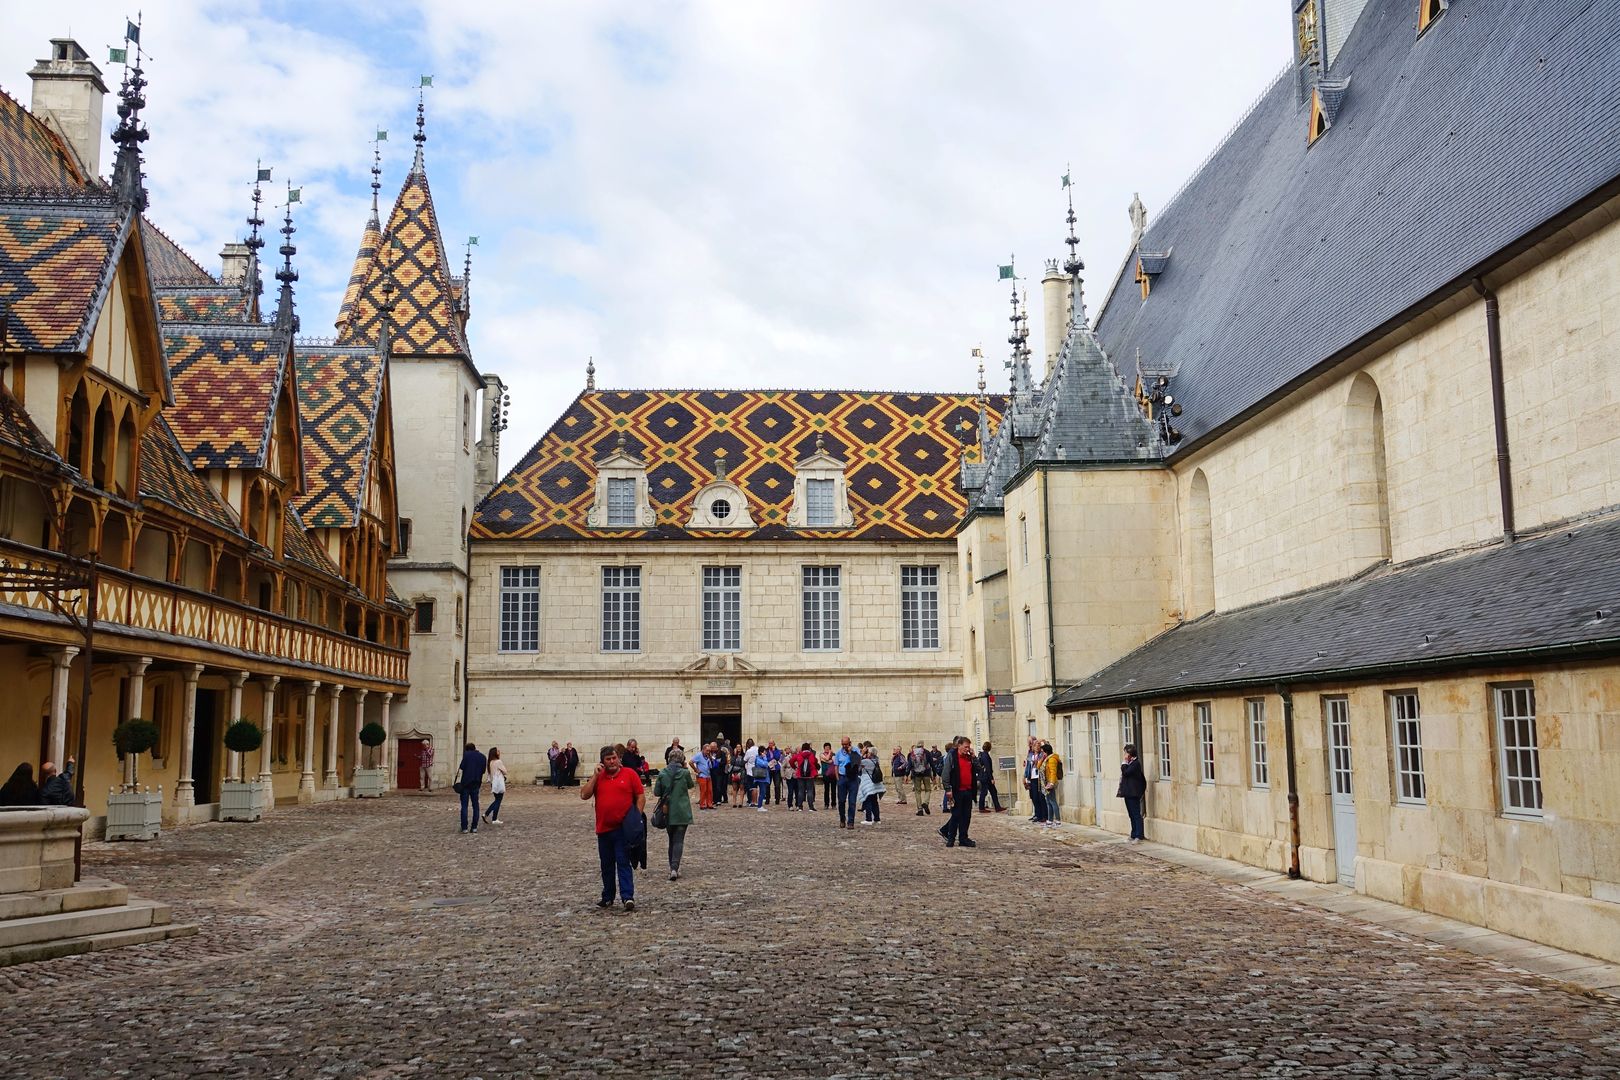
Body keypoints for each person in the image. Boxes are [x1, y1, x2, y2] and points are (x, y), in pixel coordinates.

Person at [582, 745, 645, 911]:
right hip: (604, 829)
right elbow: (584, 795)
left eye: (614, 758)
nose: (612, 762)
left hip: (623, 828)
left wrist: (636, 817)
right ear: (602, 761)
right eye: (608, 759)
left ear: (619, 758)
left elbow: (640, 795)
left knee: (623, 862)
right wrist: (595, 777)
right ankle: (608, 896)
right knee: (606, 865)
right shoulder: (599, 777)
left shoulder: (630, 774)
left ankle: (627, 897)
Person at [653, 748, 696, 880]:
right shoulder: (684, 773)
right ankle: (674, 868)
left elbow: (656, 792)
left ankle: (672, 867)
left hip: (668, 811)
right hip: (682, 811)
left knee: (671, 839)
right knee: (679, 840)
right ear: (682, 760)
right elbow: (690, 785)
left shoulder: (663, 773)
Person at [940, 736, 978, 848]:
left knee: (966, 816)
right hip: (957, 790)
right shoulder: (952, 756)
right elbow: (945, 772)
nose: (967, 749)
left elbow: (978, 769)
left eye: (969, 747)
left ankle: (963, 838)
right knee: (956, 815)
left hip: (968, 790)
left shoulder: (969, 757)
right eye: (966, 747)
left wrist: (974, 757)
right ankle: (951, 838)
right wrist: (947, 789)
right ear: (959, 745)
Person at [455, 742, 488, 834]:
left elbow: (462, 768)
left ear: (467, 749)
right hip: (476, 783)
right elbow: (483, 770)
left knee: (464, 806)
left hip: (465, 784)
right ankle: (474, 827)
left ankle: (464, 827)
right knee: (475, 806)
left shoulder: (467, 755)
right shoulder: (482, 757)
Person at [1119, 743, 1147, 842]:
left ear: (1130, 754)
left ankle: (1139, 835)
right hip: (1128, 793)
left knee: (1136, 814)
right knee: (1131, 814)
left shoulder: (1135, 764)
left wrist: (1124, 763)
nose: (1125, 755)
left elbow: (1126, 772)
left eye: (1126, 753)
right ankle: (1133, 833)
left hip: (1134, 793)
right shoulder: (1130, 764)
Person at [833, 737, 863, 830]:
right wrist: (838, 779)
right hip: (842, 778)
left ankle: (851, 822)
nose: (844, 746)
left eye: (846, 744)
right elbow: (836, 766)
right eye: (843, 744)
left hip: (853, 778)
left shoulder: (856, 751)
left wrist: (850, 752)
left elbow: (857, 761)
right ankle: (842, 819)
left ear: (850, 743)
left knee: (852, 801)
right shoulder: (838, 753)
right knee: (841, 801)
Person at [858, 743, 885, 825]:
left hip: (868, 784)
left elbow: (856, 763)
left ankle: (868, 819)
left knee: (868, 801)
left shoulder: (866, 761)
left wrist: (862, 753)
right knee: (874, 801)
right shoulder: (876, 760)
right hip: (874, 784)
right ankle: (877, 819)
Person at [977, 742, 1005, 813]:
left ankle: (997, 807)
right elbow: (988, 767)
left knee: (993, 791)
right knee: (984, 792)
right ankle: (981, 807)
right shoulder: (985, 756)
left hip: (984, 776)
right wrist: (991, 778)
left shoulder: (982, 754)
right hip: (986, 777)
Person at [1040, 741, 1063, 826]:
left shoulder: (1052, 759)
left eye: (1043, 752)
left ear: (1046, 751)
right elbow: (1038, 766)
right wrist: (1042, 758)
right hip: (1046, 782)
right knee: (1048, 801)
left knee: (1053, 801)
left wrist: (1051, 783)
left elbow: (1053, 772)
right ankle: (1050, 819)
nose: (1042, 753)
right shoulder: (1046, 759)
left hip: (1050, 782)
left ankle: (1057, 820)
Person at [482, 747, 507, 826]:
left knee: (497, 800)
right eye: (497, 751)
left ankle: (491, 817)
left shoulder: (490, 762)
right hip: (499, 783)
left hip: (493, 783)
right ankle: (490, 816)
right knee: (498, 801)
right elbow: (505, 771)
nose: (499, 752)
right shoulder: (498, 762)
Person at [1025, 737, 1047, 824]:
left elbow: (1046, 745)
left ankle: (1044, 815)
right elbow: (1028, 767)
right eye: (1035, 746)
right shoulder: (1031, 755)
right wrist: (1026, 777)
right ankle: (1037, 814)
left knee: (1041, 797)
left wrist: (1043, 742)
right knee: (1034, 797)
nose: (1037, 747)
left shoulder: (1042, 755)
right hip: (1032, 778)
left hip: (1039, 778)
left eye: (1038, 746)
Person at [792, 742, 819, 812]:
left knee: (801, 791)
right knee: (810, 791)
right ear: (809, 748)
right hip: (810, 776)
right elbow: (816, 762)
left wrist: (795, 767)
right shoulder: (812, 755)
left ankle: (800, 807)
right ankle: (811, 807)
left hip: (800, 775)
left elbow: (791, 761)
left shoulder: (799, 755)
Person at [908, 743, 932, 815]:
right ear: (923, 746)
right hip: (926, 774)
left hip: (916, 774)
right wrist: (934, 774)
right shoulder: (927, 752)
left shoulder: (912, 753)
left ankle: (920, 809)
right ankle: (925, 802)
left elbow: (909, 765)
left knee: (917, 791)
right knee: (928, 789)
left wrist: (906, 774)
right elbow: (931, 763)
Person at [692, 743, 714, 810]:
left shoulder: (708, 756)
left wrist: (710, 758)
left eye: (709, 751)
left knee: (710, 790)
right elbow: (691, 762)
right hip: (702, 776)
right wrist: (696, 770)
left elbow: (711, 766)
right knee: (703, 791)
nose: (708, 752)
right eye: (707, 750)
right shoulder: (698, 755)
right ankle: (702, 804)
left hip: (708, 775)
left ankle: (709, 804)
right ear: (703, 749)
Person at [763, 740, 785, 805]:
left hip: (776, 770)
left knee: (777, 785)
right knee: (767, 785)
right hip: (769, 769)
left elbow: (777, 757)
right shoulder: (766, 751)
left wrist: (773, 751)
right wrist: (772, 759)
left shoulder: (777, 750)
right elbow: (766, 758)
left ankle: (777, 799)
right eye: (769, 743)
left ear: (774, 744)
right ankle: (767, 799)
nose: (770, 744)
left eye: (771, 743)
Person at [819, 743, 836, 809]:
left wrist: (827, 760)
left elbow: (833, 761)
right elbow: (827, 759)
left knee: (833, 790)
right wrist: (829, 757)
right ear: (824, 748)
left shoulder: (834, 755)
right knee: (826, 790)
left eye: (828, 747)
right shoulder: (821, 754)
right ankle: (826, 804)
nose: (827, 749)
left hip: (833, 774)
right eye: (826, 747)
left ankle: (833, 804)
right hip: (825, 774)